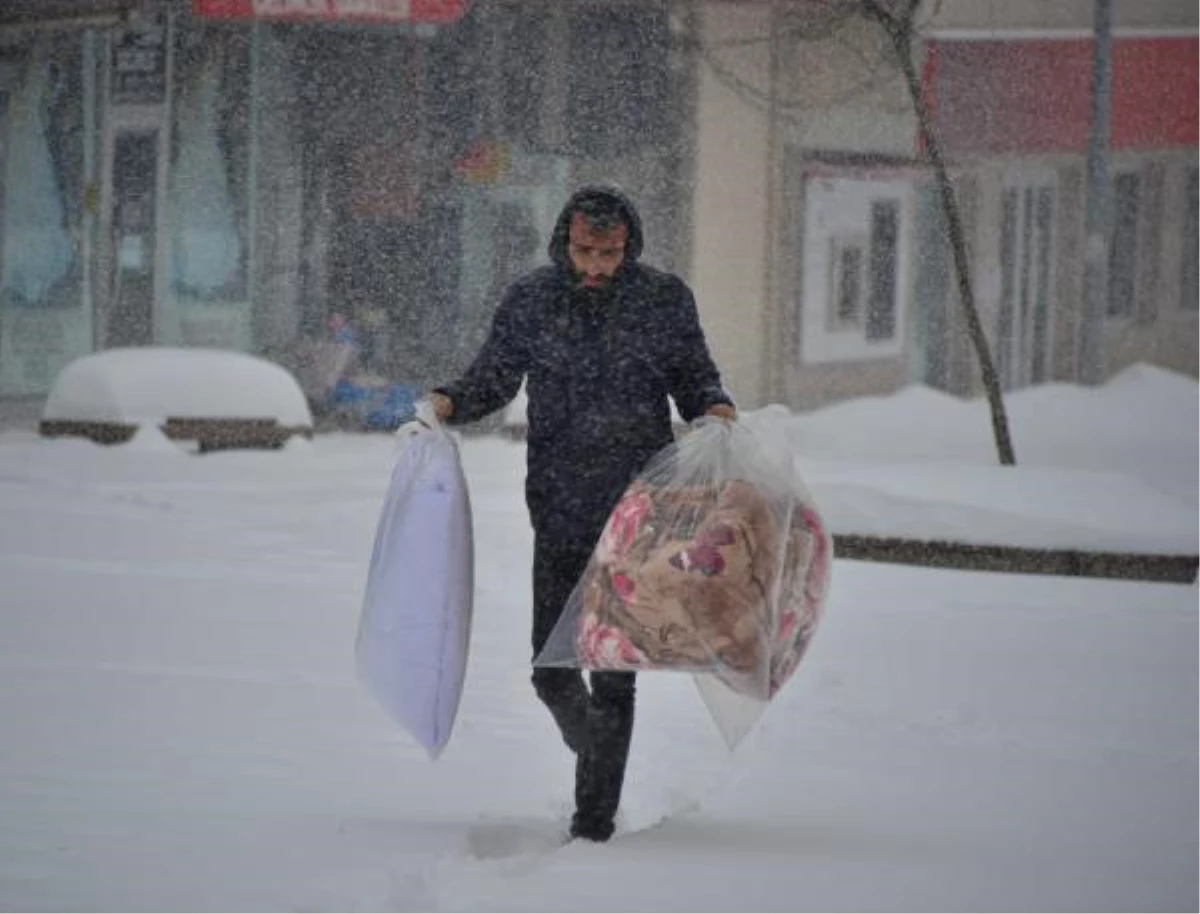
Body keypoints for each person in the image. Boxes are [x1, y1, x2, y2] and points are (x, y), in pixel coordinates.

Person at [427, 184, 736, 842]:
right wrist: (450, 402)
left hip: (639, 512)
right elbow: (495, 377)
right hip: (560, 505)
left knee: (614, 671)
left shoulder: (662, 301)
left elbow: (694, 377)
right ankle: (598, 756)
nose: (597, 266)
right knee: (552, 670)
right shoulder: (532, 301)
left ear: (631, 247)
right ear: (565, 242)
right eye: (586, 252)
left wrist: (714, 406)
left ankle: (593, 821)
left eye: (611, 253)